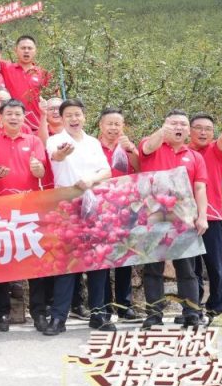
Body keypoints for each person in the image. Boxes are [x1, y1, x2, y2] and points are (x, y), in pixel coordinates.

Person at [46, 99, 114, 334]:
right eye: (69, 115)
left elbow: (106, 171)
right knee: (67, 262)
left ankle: (98, 314)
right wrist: (62, 153)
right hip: (67, 206)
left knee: (98, 262)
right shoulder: (55, 140)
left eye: (77, 114)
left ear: (84, 117)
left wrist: (91, 180)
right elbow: (56, 157)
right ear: (62, 119)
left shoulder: (93, 142)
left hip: (95, 205)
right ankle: (58, 317)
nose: (74, 119)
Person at [138, 110, 209, 330]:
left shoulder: (195, 157)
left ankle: (191, 313)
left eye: (183, 124)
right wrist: (162, 132)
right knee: (153, 269)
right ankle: (154, 315)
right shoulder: (152, 146)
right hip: (154, 217)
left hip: (184, 219)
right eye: (173, 123)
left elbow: (200, 188)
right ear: (165, 125)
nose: (178, 127)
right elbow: (146, 148)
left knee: (186, 270)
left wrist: (202, 216)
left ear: (189, 131)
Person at [0, 99, 47, 333]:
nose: (13, 117)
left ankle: (39, 313)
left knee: (35, 262)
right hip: (1, 210)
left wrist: (38, 169)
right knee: (3, 263)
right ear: (0, 117)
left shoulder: (34, 141)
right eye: (9, 113)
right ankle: (2, 313)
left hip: (29, 209)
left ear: (23, 117)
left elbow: (41, 171)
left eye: (18, 114)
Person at [189, 108, 222, 324]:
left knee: (216, 267)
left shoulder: (216, 150)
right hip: (186, 219)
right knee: (191, 269)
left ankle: (216, 308)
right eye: (198, 128)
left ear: (213, 132)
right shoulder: (182, 152)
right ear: (189, 130)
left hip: (212, 218)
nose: (203, 132)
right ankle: (193, 309)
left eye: (208, 129)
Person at [96, 108, 140, 321]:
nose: (113, 128)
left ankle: (124, 304)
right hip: (99, 209)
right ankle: (104, 304)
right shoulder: (92, 147)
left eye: (117, 124)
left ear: (123, 126)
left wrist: (131, 149)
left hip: (125, 208)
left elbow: (141, 169)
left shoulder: (128, 147)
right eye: (109, 123)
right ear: (101, 125)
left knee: (124, 258)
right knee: (102, 258)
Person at [0, 27, 50, 130]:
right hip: (12, 123)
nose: (26, 51)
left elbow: (52, 98)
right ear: (16, 50)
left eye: (30, 48)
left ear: (35, 51)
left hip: (37, 125)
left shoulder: (43, 73)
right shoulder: (6, 67)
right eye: (23, 48)